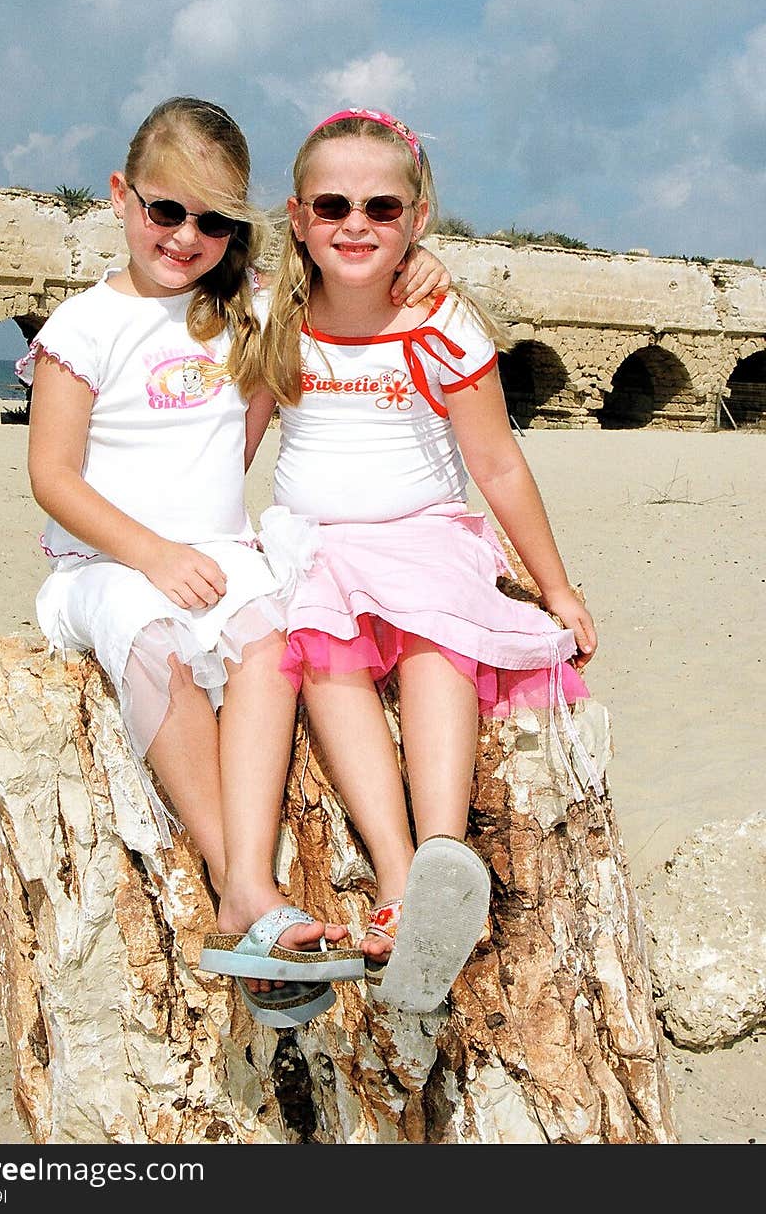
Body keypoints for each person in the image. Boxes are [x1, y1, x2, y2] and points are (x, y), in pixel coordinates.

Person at [17, 96, 449, 1028]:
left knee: (269, 639)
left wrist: (419, 263)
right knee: (157, 644)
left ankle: (255, 880)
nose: (185, 237)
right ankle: (239, 884)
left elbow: (340, 273)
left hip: (216, 551)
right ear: (122, 195)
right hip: (105, 560)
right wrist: (151, 553)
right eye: (165, 210)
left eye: (214, 221)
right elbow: (51, 475)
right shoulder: (83, 326)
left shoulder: (241, 307)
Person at [247, 107, 604, 1014]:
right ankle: (403, 876)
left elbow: (496, 463)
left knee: (437, 636)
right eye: (332, 205)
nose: (355, 223)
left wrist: (556, 584)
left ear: (416, 218)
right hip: (314, 541)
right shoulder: (274, 319)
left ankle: (443, 854)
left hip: (422, 531)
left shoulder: (440, 323)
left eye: (380, 205)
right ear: (296, 215)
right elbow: (231, 445)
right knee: (325, 657)